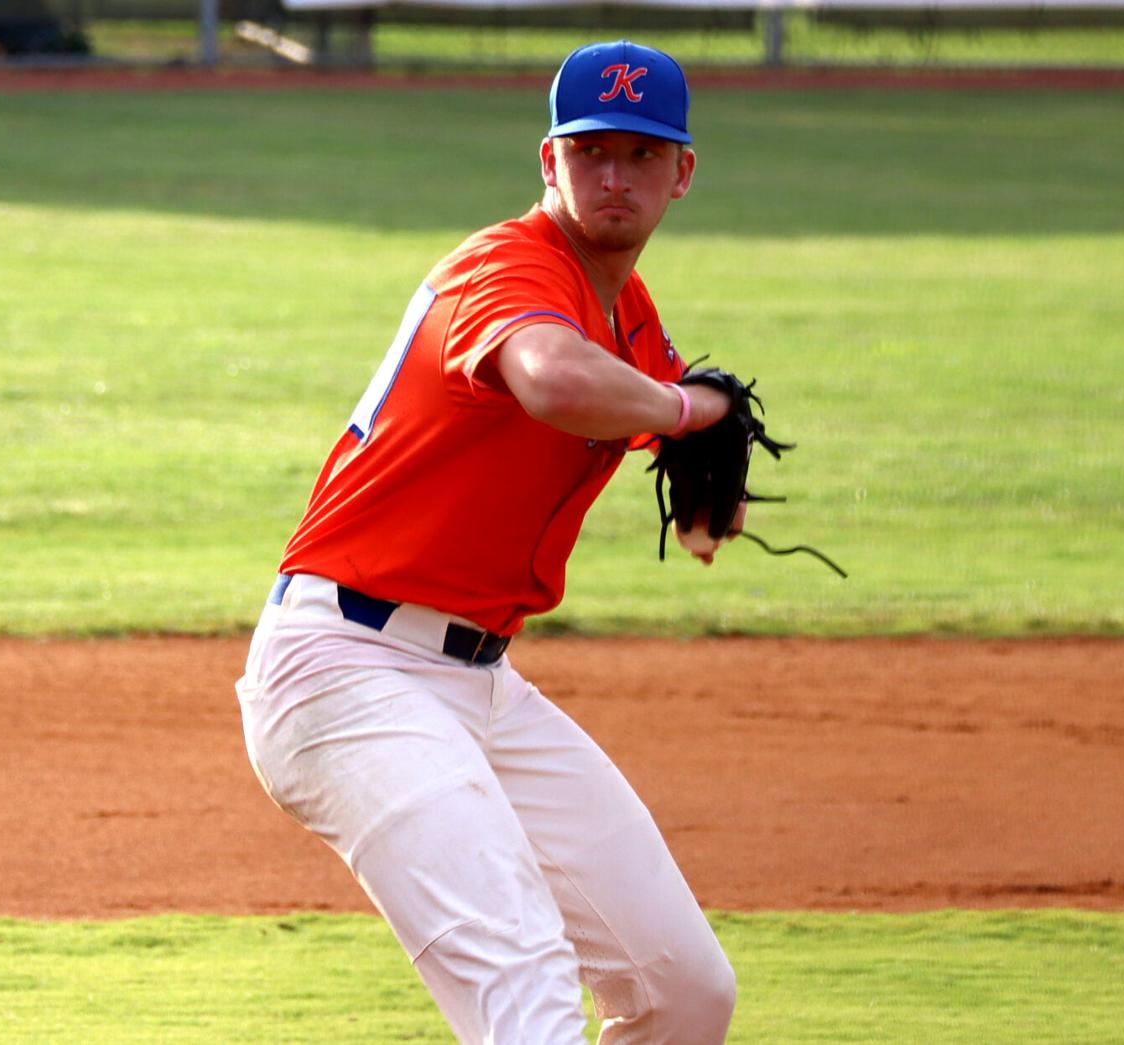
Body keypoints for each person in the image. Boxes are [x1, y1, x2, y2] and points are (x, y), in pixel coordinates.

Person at [236, 40, 739, 1044]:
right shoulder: (506, 264)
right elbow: (553, 380)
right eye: (590, 149)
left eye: (641, 154)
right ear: (546, 159)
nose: (612, 176)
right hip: (344, 666)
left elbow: (659, 428)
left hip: (480, 686)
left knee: (682, 989)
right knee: (523, 981)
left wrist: (701, 488)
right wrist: (687, 409)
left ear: (680, 173)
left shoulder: (629, 319)